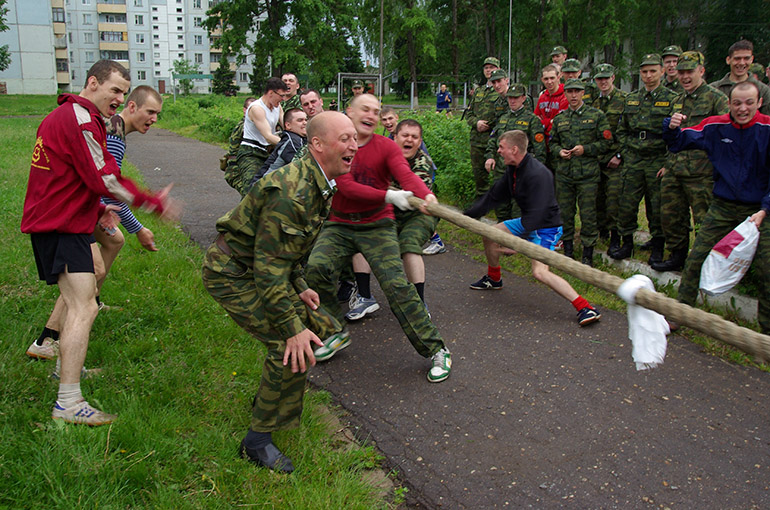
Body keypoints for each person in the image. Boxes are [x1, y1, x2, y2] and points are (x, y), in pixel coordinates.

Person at [21, 59, 179, 425]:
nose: (120, 98)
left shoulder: (78, 118)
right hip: (60, 225)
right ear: (92, 82)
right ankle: (68, 401)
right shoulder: (78, 118)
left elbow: (77, 176)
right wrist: (153, 203)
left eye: (124, 92)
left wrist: (99, 208)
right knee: (84, 306)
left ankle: (64, 370)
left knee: (86, 297)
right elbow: (104, 176)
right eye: (115, 91)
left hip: (66, 222)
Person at [202, 111, 356, 473]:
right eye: (345, 138)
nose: (354, 145)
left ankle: (271, 408)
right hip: (231, 273)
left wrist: (300, 288)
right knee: (286, 341)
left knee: (305, 331)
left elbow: (287, 253)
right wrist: (291, 328)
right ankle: (256, 442)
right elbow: (268, 269)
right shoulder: (293, 191)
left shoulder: (318, 182)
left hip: (258, 268)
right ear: (317, 144)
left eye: (355, 138)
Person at [304, 94, 452, 383]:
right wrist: (389, 195)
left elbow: (405, 175)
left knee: (397, 286)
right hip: (340, 223)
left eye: (376, 110)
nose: (371, 114)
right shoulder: (337, 143)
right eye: (365, 109)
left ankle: (437, 349)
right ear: (350, 112)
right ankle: (334, 332)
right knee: (316, 268)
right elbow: (345, 186)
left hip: (377, 225)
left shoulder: (385, 146)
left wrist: (426, 194)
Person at [26, 85, 164, 361]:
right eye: (150, 111)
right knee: (93, 271)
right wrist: (140, 225)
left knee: (114, 240)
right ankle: (50, 336)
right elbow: (105, 183)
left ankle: (92, 302)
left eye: (158, 114)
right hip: (67, 214)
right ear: (132, 107)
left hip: (79, 208)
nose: (154, 119)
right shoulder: (113, 133)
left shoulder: (114, 129)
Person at [663, 81, 770, 335]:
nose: (742, 108)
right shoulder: (715, 125)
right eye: (737, 103)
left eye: (749, 103)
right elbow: (679, 143)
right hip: (723, 206)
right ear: (729, 103)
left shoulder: (767, 128)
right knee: (696, 258)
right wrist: (670, 127)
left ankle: (765, 334)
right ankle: (679, 314)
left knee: (767, 269)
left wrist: (765, 209)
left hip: (761, 208)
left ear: (759, 103)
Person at [466, 130, 601, 327]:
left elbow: (539, 212)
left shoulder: (538, 174)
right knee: (490, 234)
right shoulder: (514, 169)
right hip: (528, 221)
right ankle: (494, 278)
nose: (498, 151)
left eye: (501, 147)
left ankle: (585, 307)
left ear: (514, 149)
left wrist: (519, 244)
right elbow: (494, 196)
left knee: (539, 272)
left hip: (546, 227)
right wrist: (465, 216)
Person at [652, 51, 729, 272]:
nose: (685, 77)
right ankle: (677, 256)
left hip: (701, 173)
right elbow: (670, 136)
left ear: (702, 71)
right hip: (675, 170)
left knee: (705, 222)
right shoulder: (677, 100)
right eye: (682, 72)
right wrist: (667, 163)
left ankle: (709, 264)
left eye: (690, 72)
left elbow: (724, 135)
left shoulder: (717, 99)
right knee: (671, 216)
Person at [610, 54, 678, 264]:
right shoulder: (631, 99)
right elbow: (622, 130)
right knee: (627, 203)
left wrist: (668, 163)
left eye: (653, 71)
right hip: (634, 159)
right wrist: (626, 152)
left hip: (657, 159)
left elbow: (677, 136)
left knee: (656, 205)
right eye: (645, 71)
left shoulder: (672, 98)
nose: (648, 76)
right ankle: (627, 243)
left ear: (662, 71)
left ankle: (657, 245)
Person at [549, 79, 612, 266]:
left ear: (583, 92)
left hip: (588, 176)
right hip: (565, 175)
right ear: (565, 94)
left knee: (588, 214)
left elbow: (607, 142)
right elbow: (552, 142)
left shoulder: (596, 116)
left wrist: (586, 149)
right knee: (566, 213)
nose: (573, 95)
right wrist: (559, 151)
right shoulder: (560, 119)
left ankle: (588, 254)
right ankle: (568, 250)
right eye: (570, 92)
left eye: (577, 91)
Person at [484, 83, 546, 222]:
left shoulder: (532, 120)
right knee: (501, 208)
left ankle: (517, 242)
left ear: (523, 98)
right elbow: (493, 140)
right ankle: (502, 241)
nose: (512, 101)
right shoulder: (503, 118)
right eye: (510, 98)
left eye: (516, 98)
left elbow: (539, 149)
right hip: (501, 170)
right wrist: (489, 157)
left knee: (519, 210)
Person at [590, 63, 627, 252]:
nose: (603, 82)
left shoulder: (624, 100)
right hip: (598, 158)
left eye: (606, 78)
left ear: (613, 78)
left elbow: (627, 131)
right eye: (599, 78)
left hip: (616, 160)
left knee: (614, 200)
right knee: (598, 198)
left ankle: (615, 237)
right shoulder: (595, 104)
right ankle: (601, 232)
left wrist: (619, 155)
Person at [232, 77, 288, 196]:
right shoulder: (257, 108)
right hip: (251, 153)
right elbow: (268, 136)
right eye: (281, 96)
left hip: (267, 152)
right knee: (251, 192)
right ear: (271, 93)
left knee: (271, 189)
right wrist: (288, 145)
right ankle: (242, 215)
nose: (283, 99)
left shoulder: (278, 107)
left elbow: (287, 127)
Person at [466, 56, 506, 199]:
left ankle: (497, 204)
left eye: (492, 67)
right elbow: (468, 114)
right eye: (486, 68)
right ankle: (481, 205)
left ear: (499, 70)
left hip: (494, 141)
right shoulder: (478, 91)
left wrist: (489, 125)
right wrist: (476, 123)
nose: (489, 70)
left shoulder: (502, 92)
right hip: (477, 140)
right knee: (479, 177)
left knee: (498, 175)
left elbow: (505, 117)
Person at [709, 39, 770, 115]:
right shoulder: (714, 89)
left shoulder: (763, 90)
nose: (741, 63)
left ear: (752, 59)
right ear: (728, 60)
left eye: (746, 58)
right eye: (737, 58)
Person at [251, 108, 307, 182]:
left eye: (306, 120)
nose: (305, 123)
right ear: (288, 125)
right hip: (264, 186)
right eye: (300, 120)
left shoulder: (299, 138)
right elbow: (304, 166)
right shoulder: (292, 141)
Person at [223, 96, 256, 187]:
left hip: (241, 165)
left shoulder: (250, 124)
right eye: (250, 109)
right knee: (249, 195)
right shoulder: (245, 126)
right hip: (236, 168)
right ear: (244, 110)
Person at [534, 64, 568, 140]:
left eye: (552, 78)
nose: (549, 82)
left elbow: (559, 121)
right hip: (543, 139)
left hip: (559, 138)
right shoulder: (542, 96)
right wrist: (549, 122)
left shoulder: (565, 96)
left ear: (558, 77)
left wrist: (543, 122)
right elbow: (536, 119)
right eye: (546, 79)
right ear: (542, 80)